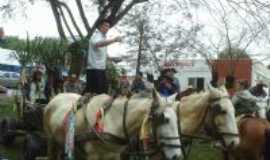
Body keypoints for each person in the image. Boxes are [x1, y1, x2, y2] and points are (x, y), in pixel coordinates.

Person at [84, 19, 122, 94]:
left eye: (108, 26)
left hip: (101, 69)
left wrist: (113, 59)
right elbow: (98, 44)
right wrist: (114, 40)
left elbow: (103, 55)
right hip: (94, 69)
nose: (107, 28)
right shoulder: (96, 36)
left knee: (102, 93)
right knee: (94, 94)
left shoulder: (103, 38)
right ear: (100, 26)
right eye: (105, 25)